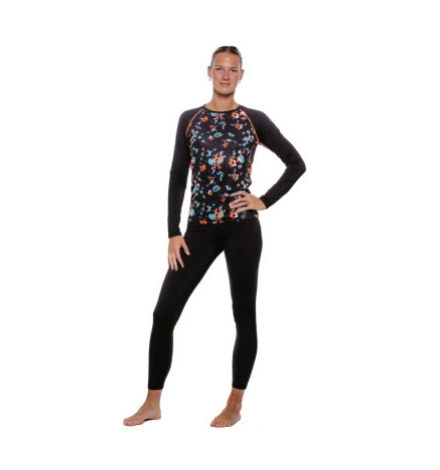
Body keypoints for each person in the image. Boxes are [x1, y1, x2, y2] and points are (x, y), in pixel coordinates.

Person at [123, 45, 306, 428]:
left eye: (232, 69)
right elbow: (177, 175)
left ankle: (234, 403)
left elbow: (296, 163)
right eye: (219, 68)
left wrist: (263, 201)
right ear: (208, 71)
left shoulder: (254, 119)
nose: (225, 75)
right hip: (199, 230)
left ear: (241, 75)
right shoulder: (190, 119)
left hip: (242, 228)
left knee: (243, 314)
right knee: (163, 314)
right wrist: (173, 232)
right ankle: (152, 402)